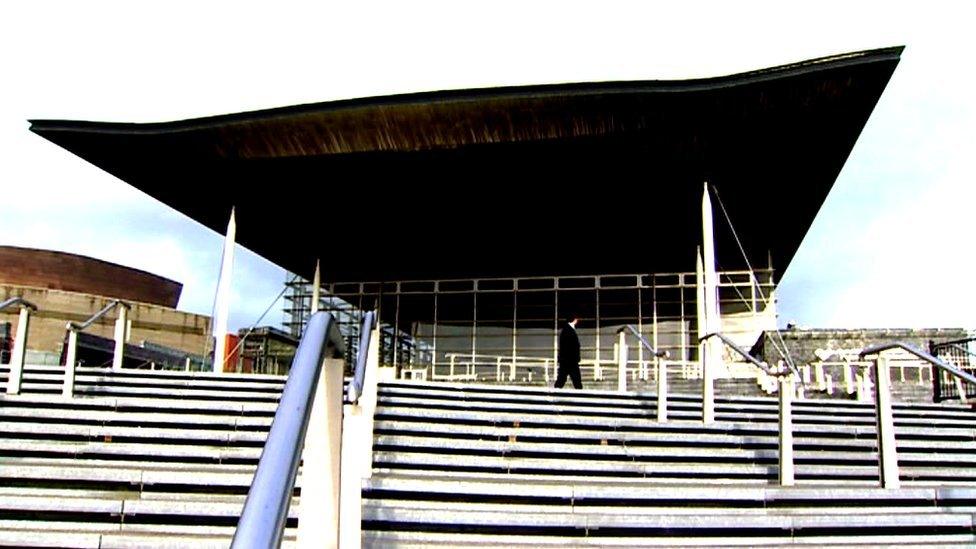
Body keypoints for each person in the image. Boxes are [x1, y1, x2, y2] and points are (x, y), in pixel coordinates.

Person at [555, 314, 583, 389]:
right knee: (576, 380)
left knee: (562, 379)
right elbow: (570, 347)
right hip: (570, 361)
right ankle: (581, 396)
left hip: (567, 361)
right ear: (574, 320)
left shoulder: (566, 330)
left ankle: (555, 393)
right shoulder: (569, 330)